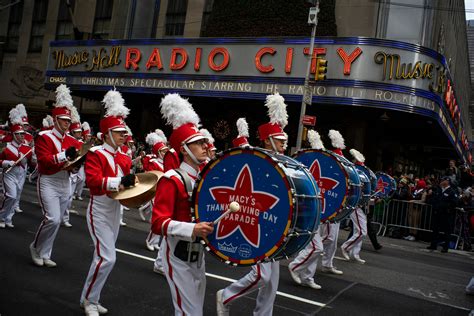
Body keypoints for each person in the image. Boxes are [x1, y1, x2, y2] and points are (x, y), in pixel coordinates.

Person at [216, 93, 288, 316]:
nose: (284, 145)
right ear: (267, 140)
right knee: (262, 275)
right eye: (280, 141)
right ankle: (226, 295)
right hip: (257, 222)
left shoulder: (281, 162)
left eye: (285, 141)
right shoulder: (257, 159)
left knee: (272, 280)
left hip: (275, 223)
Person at [151, 93, 214, 316]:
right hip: (176, 255)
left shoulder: (205, 179)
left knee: (196, 311)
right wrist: (192, 229)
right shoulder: (172, 179)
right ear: (184, 150)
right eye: (198, 144)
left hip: (198, 254)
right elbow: (157, 223)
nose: (205, 146)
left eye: (204, 142)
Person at [80, 89, 134, 316]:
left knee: (102, 258)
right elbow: (92, 182)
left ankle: (91, 296)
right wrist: (119, 181)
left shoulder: (124, 156)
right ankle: (89, 301)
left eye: (124, 132)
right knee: (107, 258)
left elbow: (126, 184)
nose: (124, 136)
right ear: (108, 133)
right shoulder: (95, 153)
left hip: (115, 211)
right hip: (99, 209)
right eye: (119, 132)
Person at [29, 84, 81, 268]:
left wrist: (75, 166)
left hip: (64, 181)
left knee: (57, 221)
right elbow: (43, 161)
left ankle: (46, 253)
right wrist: (64, 155)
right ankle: (35, 247)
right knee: (52, 218)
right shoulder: (44, 137)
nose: (67, 123)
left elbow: (74, 165)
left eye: (69, 120)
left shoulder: (73, 140)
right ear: (56, 119)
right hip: (48, 180)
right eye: (64, 120)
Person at [288, 130, 326, 289]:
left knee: (314, 246)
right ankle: (295, 266)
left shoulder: (322, 169)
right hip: (306, 211)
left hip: (317, 210)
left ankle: (307, 277)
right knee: (317, 247)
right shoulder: (301, 165)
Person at [0, 107, 35, 228]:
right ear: (13, 134)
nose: (22, 136)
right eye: (19, 134)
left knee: (16, 197)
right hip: (9, 173)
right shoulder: (6, 147)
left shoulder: (27, 149)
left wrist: (35, 158)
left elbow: (32, 164)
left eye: (23, 134)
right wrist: (5, 162)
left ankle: (8, 218)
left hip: (21, 174)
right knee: (10, 196)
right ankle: (1, 216)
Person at [340, 148, 368, 264]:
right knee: (362, 231)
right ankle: (346, 247)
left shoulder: (359, 174)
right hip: (355, 205)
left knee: (359, 230)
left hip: (361, 206)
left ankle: (355, 253)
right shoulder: (352, 174)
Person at [426, 176, 458, 252]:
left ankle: (445, 247)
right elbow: (433, 199)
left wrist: (444, 206)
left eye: (443, 180)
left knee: (446, 231)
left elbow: (454, 203)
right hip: (437, 213)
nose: (441, 181)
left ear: (447, 182)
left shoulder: (452, 191)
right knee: (435, 229)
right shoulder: (439, 190)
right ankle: (433, 245)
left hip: (446, 214)